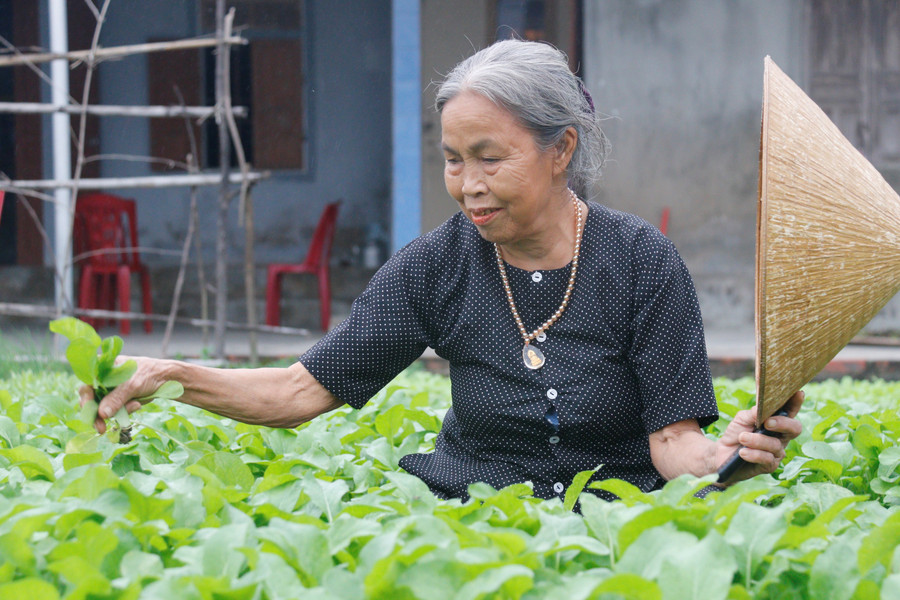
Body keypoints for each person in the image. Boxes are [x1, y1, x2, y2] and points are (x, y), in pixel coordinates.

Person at [86, 39, 803, 502]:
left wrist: (727, 456)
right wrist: (170, 376)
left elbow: (673, 444)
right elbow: (300, 390)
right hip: (469, 517)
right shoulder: (436, 266)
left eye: (490, 158)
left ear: (560, 150)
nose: (469, 185)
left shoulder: (641, 261)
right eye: (454, 161)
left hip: (613, 523)